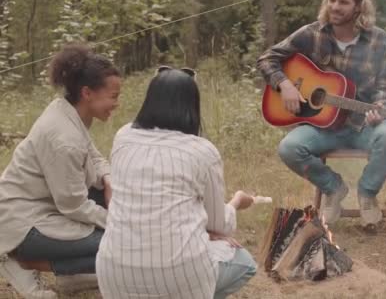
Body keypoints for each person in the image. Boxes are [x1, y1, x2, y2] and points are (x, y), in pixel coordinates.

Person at [96, 67, 257, 299]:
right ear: (192, 105)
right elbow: (219, 224)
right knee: (244, 262)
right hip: (179, 276)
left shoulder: (122, 137)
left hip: (113, 273)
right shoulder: (202, 150)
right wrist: (235, 203)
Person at [257, 0, 386, 231]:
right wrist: (285, 85)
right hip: (321, 127)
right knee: (289, 148)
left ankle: (367, 194)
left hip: (362, 125)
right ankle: (333, 188)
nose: (335, 7)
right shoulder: (311, 34)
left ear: (358, 7)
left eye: (343, 2)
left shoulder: (379, 40)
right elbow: (267, 58)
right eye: (332, 0)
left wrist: (380, 107)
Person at [0, 44, 121, 298]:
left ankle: (73, 278)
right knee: (117, 242)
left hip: (50, 206)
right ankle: (18, 260)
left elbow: (94, 155)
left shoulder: (69, 112)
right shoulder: (63, 138)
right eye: (113, 96)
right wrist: (118, 223)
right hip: (24, 223)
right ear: (87, 93)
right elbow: (74, 206)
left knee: (116, 225)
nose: (116, 104)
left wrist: (109, 179)